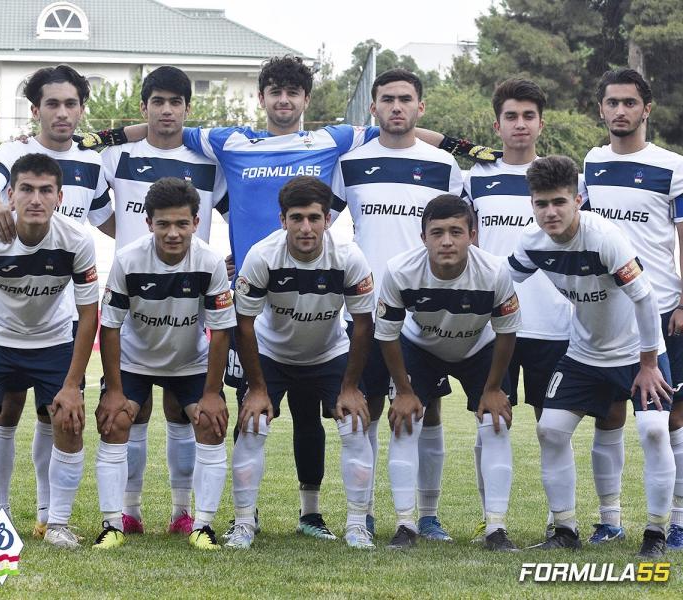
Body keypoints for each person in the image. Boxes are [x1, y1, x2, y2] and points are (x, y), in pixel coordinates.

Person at [80, 55, 498, 538]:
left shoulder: (331, 140)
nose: (283, 101)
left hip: (317, 301)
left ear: (306, 99)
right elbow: (165, 125)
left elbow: (396, 126)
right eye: (275, 92)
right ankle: (243, 518)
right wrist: (101, 137)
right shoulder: (230, 141)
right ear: (261, 98)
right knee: (248, 414)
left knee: (314, 416)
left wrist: (462, 147)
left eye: (292, 93)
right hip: (256, 301)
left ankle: (324, 515)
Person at [0, 64, 113, 539]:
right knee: (3, 410)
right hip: (5, 315)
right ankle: (0, 511)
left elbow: (109, 220)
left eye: (71, 104)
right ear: (35, 110)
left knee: (58, 415)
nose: (62, 113)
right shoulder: (15, 151)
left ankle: (52, 516)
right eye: (53, 103)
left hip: (58, 312)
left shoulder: (92, 160)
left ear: (82, 109)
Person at [509, 155, 675, 558]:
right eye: (541, 203)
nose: (550, 212)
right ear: (531, 204)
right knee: (550, 431)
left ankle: (655, 534)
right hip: (584, 354)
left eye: (559, 202)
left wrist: (648, 364)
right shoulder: (532, 243)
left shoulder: (604, 238)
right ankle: (565, 530)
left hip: (639, 353)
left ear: (578, 200)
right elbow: (501, 280)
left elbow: (645, 298)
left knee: (655, 432)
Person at [99, 66, 228, 536]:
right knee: (125, 417)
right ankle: (127, 513)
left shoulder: (209, 159)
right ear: (144, 107)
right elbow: (89, 191)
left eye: (176, 102)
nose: (167, 110)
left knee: (187, 416)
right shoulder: (117, 154)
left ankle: (183, 513)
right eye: (158, 101)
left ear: (188, 108)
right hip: (138, 316)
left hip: (188, 326)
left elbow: (240, 207)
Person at [339, 68, 464, 540]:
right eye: (387, 99)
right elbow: (319, 222)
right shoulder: (350, 163)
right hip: (367, 309)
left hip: (427, 311)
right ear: (373, 107)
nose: (396, 107)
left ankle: (426, 516)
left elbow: (459, 235)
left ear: (420, 107)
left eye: (405, 99)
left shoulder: (443, 165)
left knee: (427, 410)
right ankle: (365, 512)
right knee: (367, 408)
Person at [229, 176, 376, 549]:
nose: (306, 228)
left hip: (327, 352)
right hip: (271, 352)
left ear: (328, 219)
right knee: (252, 424)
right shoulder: (262, 255)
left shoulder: (349, 257)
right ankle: (244, 522)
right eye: (297, 218)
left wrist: (350, 387)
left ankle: (353, 525)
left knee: (353, 423)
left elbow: (363, 324)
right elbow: (243, 324)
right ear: (283, 220)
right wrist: (257, 388)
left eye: (314, 218)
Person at [0, 153, 99, 548]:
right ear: (10, 195)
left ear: (59, 197)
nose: (35, 199)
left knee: (68, 421)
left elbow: (88, 315)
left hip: (52, 341)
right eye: (26, 189)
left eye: (45, 191)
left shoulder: (77, 241)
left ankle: (56, 522)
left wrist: (73, 385)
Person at [93, 177, 235, 550]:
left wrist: (213, 393)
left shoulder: (209, 262)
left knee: (210, 423)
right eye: (164, 224)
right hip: (135, 361)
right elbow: (110, 327)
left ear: (196, 222)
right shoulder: (128, 260)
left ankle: (197, 523)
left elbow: (221, 331)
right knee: (115, 420)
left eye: (182, 223)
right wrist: (114, 390)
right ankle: (118, 521)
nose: (173, 233)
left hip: (189, 363)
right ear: (149, 223)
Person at [375, 194, 521, 551]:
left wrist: (492, 389)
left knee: (495, 423)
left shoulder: (495, 271)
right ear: (423, 237)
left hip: (479, 347)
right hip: (420, 347)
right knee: (405, 421)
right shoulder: (399, 270)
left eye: (456, 232)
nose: (446, 241)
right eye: (437, 232)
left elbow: (506, 332)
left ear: (472, 235)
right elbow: (387, 334)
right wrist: (404, 391)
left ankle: (496, 528)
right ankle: (406, 524)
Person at [463, 78, 571, 541]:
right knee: (492, 423)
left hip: (554, 324)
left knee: (554, 428)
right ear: (497, 125)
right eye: (511, 116)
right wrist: (460, 146)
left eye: (529, 116)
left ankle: (560, 523)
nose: (520, 124)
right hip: (495, 325)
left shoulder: (565, 180)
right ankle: (494, 524)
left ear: (542, 124)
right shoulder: (473, 178)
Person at [582, 68, 683, 550]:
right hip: (608, 313)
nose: (620, 111)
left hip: (662, 310)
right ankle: (610, 520)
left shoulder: (673, 166)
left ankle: (677, 521)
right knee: (609, 414)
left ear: (647, 109)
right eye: (612, 102)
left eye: (629, 102)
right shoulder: (591, 163)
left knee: (671, 420)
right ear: (601, 109)